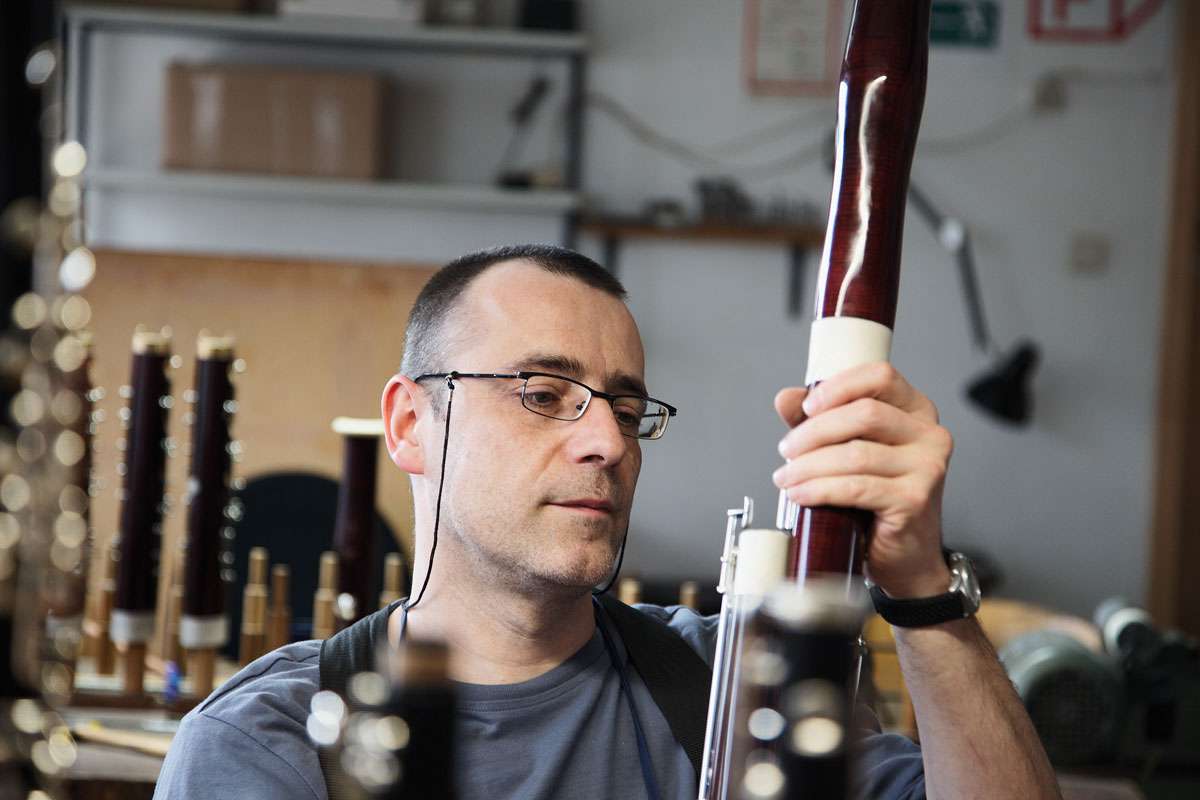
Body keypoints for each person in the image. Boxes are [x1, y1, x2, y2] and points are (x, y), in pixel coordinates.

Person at [155, 244, 1061, 799]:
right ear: (410, 424)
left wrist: (920, 588)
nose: (608, 441)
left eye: (626, 408)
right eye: (543, 393)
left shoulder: (734, 693)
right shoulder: (270, 745)